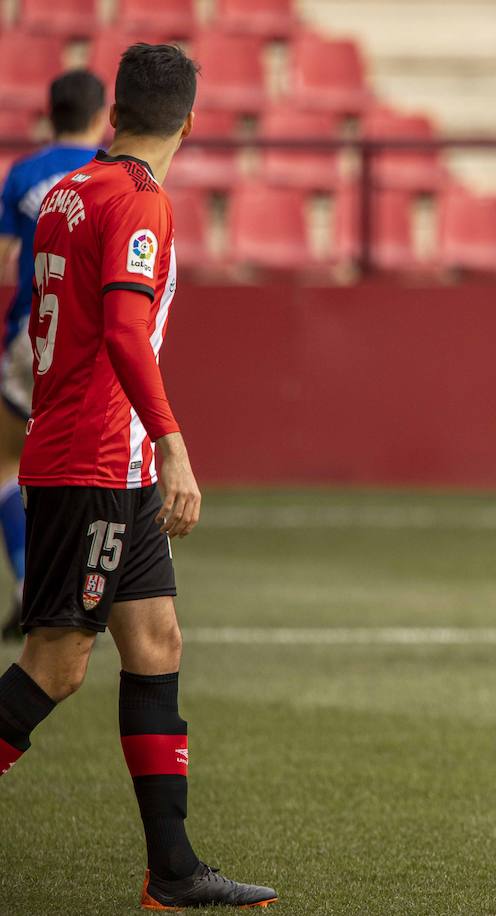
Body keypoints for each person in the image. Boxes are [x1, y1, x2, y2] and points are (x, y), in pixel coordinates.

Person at [0, 43, 277, 910]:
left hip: (96, 459)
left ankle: (174, 871)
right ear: (190, 123)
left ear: (115, 112)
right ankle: (173, 870)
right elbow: (124, 331)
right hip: (94, 462)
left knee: (156, 643)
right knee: (56, 665)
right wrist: (175, 444)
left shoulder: (71, 190)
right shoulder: (139, 200)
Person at [0, 70, 108, 640]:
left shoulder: (23, 173)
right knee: (95, 463)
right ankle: (93, 586)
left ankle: (29, 582)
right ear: (103, 115)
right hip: (95, 337)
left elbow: (3, 256)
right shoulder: (113, 170)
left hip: (33, 332)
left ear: (51, 114)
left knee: (9, 462)